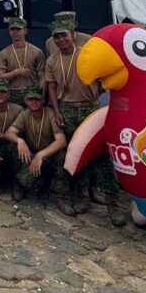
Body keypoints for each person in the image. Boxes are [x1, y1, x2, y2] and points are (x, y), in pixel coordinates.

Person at [45, 20, 123, 223]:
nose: (61, 40)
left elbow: (109, 72)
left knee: (100, 156)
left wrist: (102, 87)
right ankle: (83, 196)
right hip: (68, 109)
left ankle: (112, 204)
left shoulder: (86, 53)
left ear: (73, 33)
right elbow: (52, 88)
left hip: (90, 108)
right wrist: (57, 110)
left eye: (64, 35)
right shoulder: (52, 60)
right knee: (74, 154)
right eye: (57, 37)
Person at [0, 87, 67, 204]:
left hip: (49, 154)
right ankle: (19, 183)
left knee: (63, 155)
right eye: (30, 99)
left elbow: (61, 141)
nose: (34, 102)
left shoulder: (50, 114)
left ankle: (61, 195)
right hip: (32, 154)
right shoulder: (25, 114)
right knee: (14, 150)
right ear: (25, 101)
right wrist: (20, 141)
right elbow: (8, 133)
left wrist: (41, 155)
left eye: (37, 99)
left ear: (43, 101)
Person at [0, 17, 45, 104]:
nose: (15, 32)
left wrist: (41, 95)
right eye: (12, 29)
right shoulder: (4, 53)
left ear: (25, 31)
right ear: (9, 32)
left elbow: (42, 76)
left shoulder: (36, 51)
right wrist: (17, 72)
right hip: (13, 93)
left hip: (32, 92)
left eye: (18, 29)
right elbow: (0, 75)